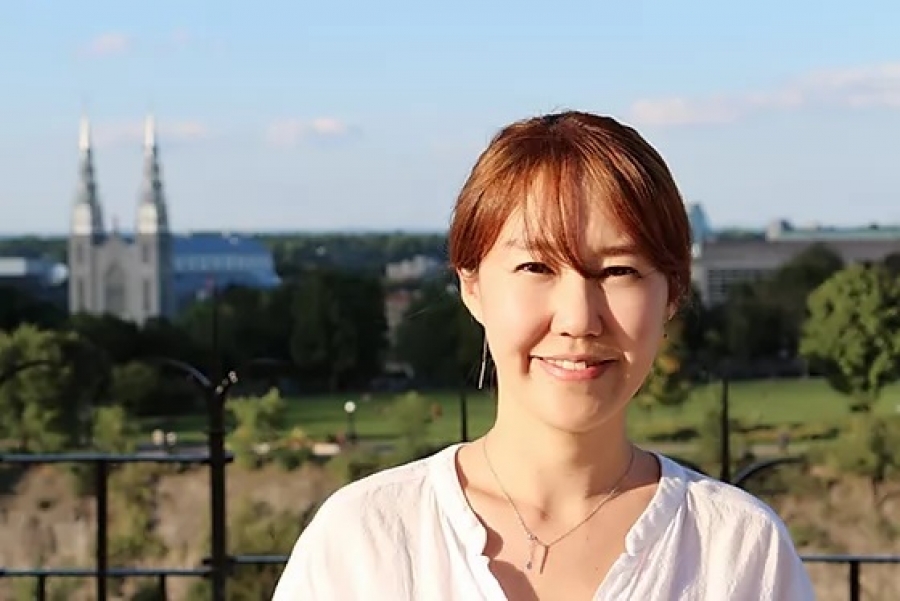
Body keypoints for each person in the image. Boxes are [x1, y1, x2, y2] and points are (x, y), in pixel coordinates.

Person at [271, 111, 816, 600]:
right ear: (471, 286)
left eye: (618, 271)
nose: (578, 318)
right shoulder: (366, 542)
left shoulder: (737, 550)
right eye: (537, 267)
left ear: (671, 294)